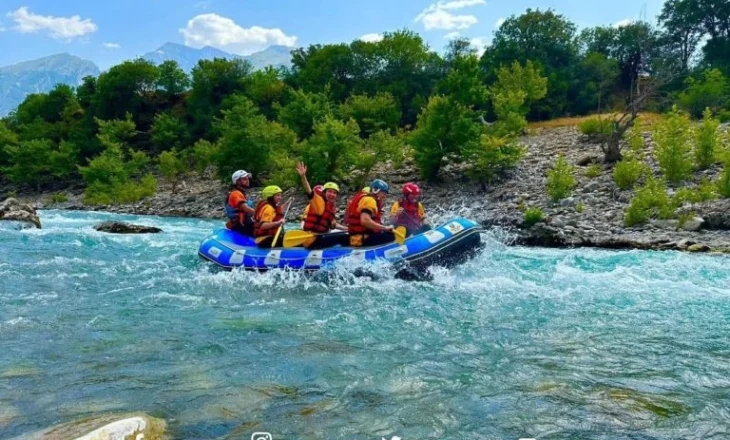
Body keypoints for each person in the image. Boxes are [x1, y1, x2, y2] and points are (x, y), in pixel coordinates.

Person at [295, 162, 348, 249]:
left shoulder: (330, 206)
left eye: (334, 193)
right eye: (329, 191)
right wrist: (303, 176)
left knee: (345, 234)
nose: (332, 194)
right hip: (312, 239)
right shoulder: (318, 202)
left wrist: (346, 228)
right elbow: (309, 191)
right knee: (344, 238)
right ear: (324, 193)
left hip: (320, 237)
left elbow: (333, 224)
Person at [347, 178, 395, 247]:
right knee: (391, 235)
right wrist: (385, 228)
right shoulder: (370, 201)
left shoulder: (364, 198)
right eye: (383, 193)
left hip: (355, 238)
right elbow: (365, 221)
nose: (384, 196)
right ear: (375, 190)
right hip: (362, 239)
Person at [225, 170, 255, 236]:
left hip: (247, 223)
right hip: (241, 225)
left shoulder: (243, 194)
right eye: (244, 179)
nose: (247, 181)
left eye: (247, 179)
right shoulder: (235, 194)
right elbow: (245, 208)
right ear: (237, 181)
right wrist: (258, 212)